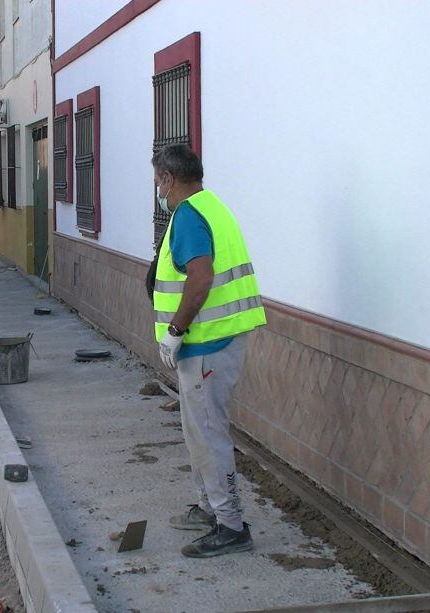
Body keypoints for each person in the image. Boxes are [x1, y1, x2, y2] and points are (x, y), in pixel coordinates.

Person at [151, 144, 267, 558]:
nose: (157, 189)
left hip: (205, 345)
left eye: (157, 180)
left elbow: (200, 279)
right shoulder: (211, 205)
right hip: (219, 340)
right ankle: (208, 509)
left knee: (208, 433)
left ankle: (231, 525)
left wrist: (175, 330)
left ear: (168, 177)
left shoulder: (188, 216)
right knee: (198, 430)